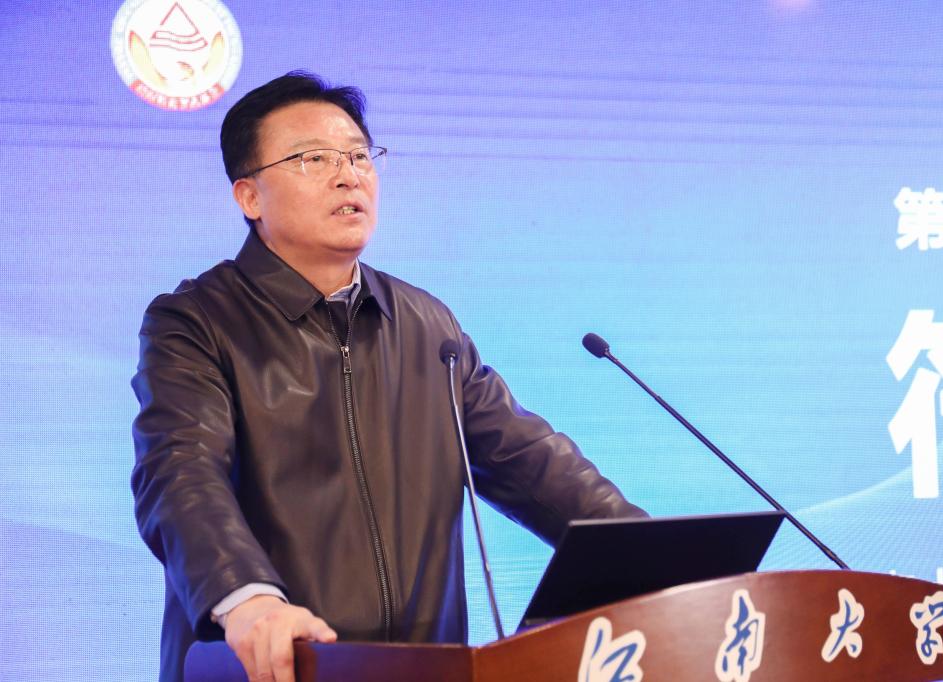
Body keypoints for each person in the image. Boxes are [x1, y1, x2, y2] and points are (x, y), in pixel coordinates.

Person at [131, 71, 646, 682]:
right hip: (275, 667)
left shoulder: (427, 325)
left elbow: (532, 462)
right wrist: (248, 599)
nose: (348, 175)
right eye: (313, 158)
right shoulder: (197, 322)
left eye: (358, 156)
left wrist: (658, 557)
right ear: (250, 197)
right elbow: (179, 472)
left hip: (422, 668)